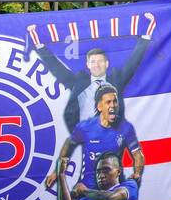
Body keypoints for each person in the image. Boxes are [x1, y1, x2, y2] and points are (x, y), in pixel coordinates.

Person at [28, 11, 157, 132]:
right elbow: (56, 68)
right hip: (85, 136)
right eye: (93, 62)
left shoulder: (117, 79)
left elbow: (134, 62)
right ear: (87, 65)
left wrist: (146, 35)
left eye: (100, 61)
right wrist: (39, 45)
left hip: (110, 136)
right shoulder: (78, 81)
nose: (97, 65)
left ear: (107, 64)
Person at [46, 83, 144, 192]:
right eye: (108, 102)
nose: (113, 105)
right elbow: (69, 143)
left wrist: (137, 174)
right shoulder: (85, 127)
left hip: (113, 191)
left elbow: (137, 154)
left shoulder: (126, 128)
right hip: (86, 190)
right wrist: (57, 171)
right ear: (99, 106)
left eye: (115, 101)